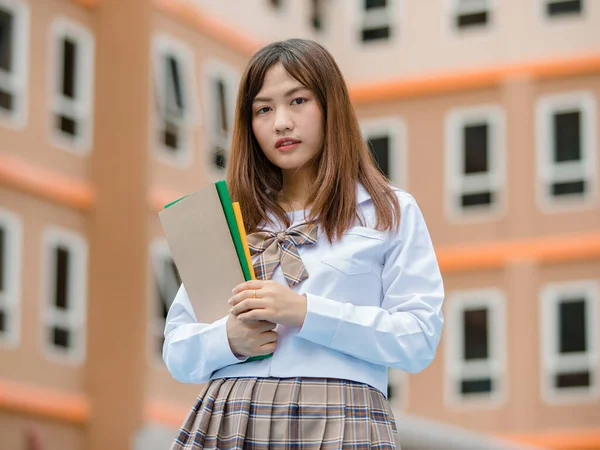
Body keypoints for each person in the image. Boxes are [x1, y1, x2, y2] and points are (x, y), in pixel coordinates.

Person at [163, 38, 444, 449]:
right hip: (231, 419)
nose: (281, 122)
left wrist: (305, 312)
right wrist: (228, 338)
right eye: (263, 109)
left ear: (331, 107)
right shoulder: (228, 219)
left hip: (342, 418)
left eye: (297, 101)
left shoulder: (388, 210)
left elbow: (417, 338)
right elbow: (176, 349)